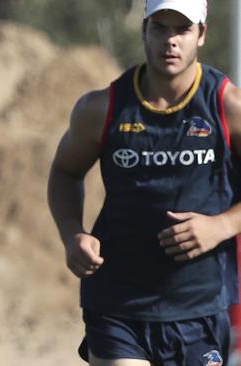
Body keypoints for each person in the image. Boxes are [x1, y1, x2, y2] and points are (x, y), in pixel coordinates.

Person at [48, 0, 241, 364]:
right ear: (144, 31)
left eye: (182, 29)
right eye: (160, 28)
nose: (170, 40)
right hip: (118, 305)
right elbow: (64, 172)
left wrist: (221, 226)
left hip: (198, 307)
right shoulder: (101, 108)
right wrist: (72, 233)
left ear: (202, 34)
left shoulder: (227, 106)